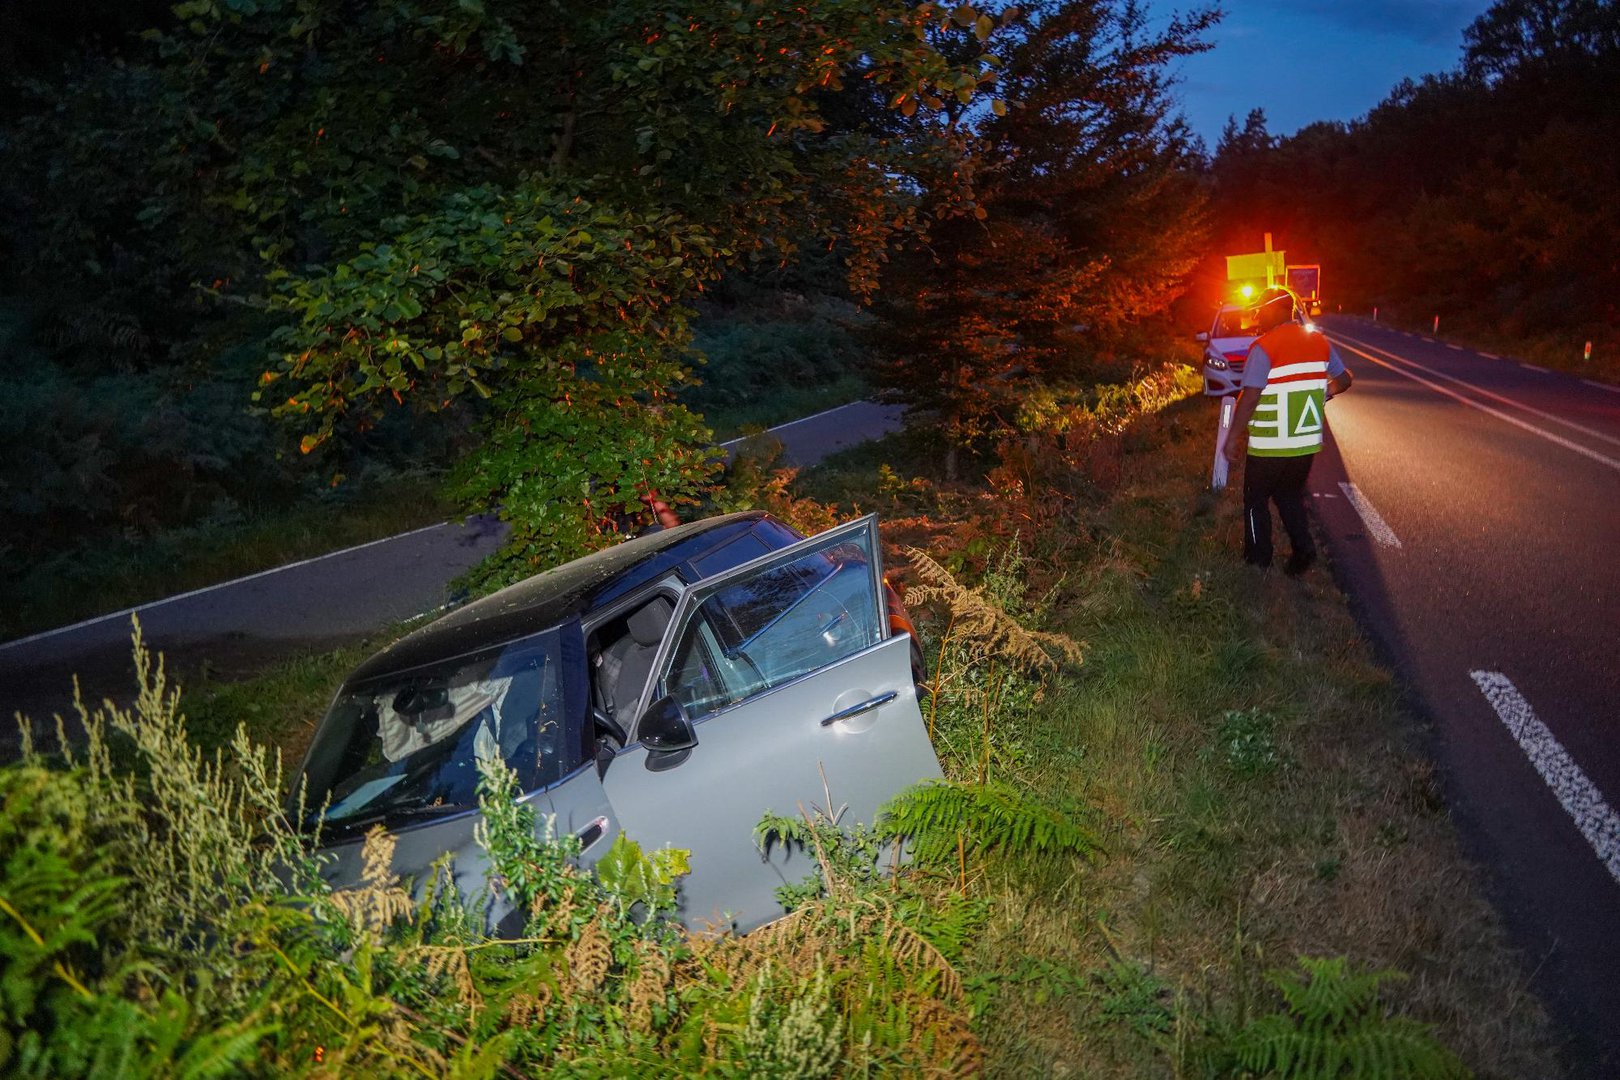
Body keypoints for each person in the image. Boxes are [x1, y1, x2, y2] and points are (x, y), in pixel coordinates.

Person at [1222, 289, 1353, 575]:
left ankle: (1258, 561)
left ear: (1277, 310)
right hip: (1305, 444)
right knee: (1289, 496)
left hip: (1270, 444)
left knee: (1255, 499)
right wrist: (1322, 394)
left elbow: (1251, 396)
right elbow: (1344, 380)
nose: (1257, 315)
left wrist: (1232, 437)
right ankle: (1303, 552)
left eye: (1261, 310)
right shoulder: (1318, 341)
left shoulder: (1265, 346)